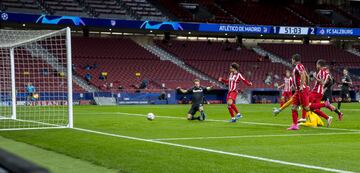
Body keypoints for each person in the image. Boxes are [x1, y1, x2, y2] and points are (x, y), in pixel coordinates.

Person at [288, 54, 310, 130]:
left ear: (294, 59)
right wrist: (307, 85)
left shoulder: (299, 66)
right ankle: (294, 125)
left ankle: (325, 105)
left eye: (292, 59)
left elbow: (303, 75)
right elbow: (307, 75)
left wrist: (302, 86)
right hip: (298, 90)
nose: (291, 60)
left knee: (306, 108)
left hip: (301, 90)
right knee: (294, 107)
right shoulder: (299, 66)